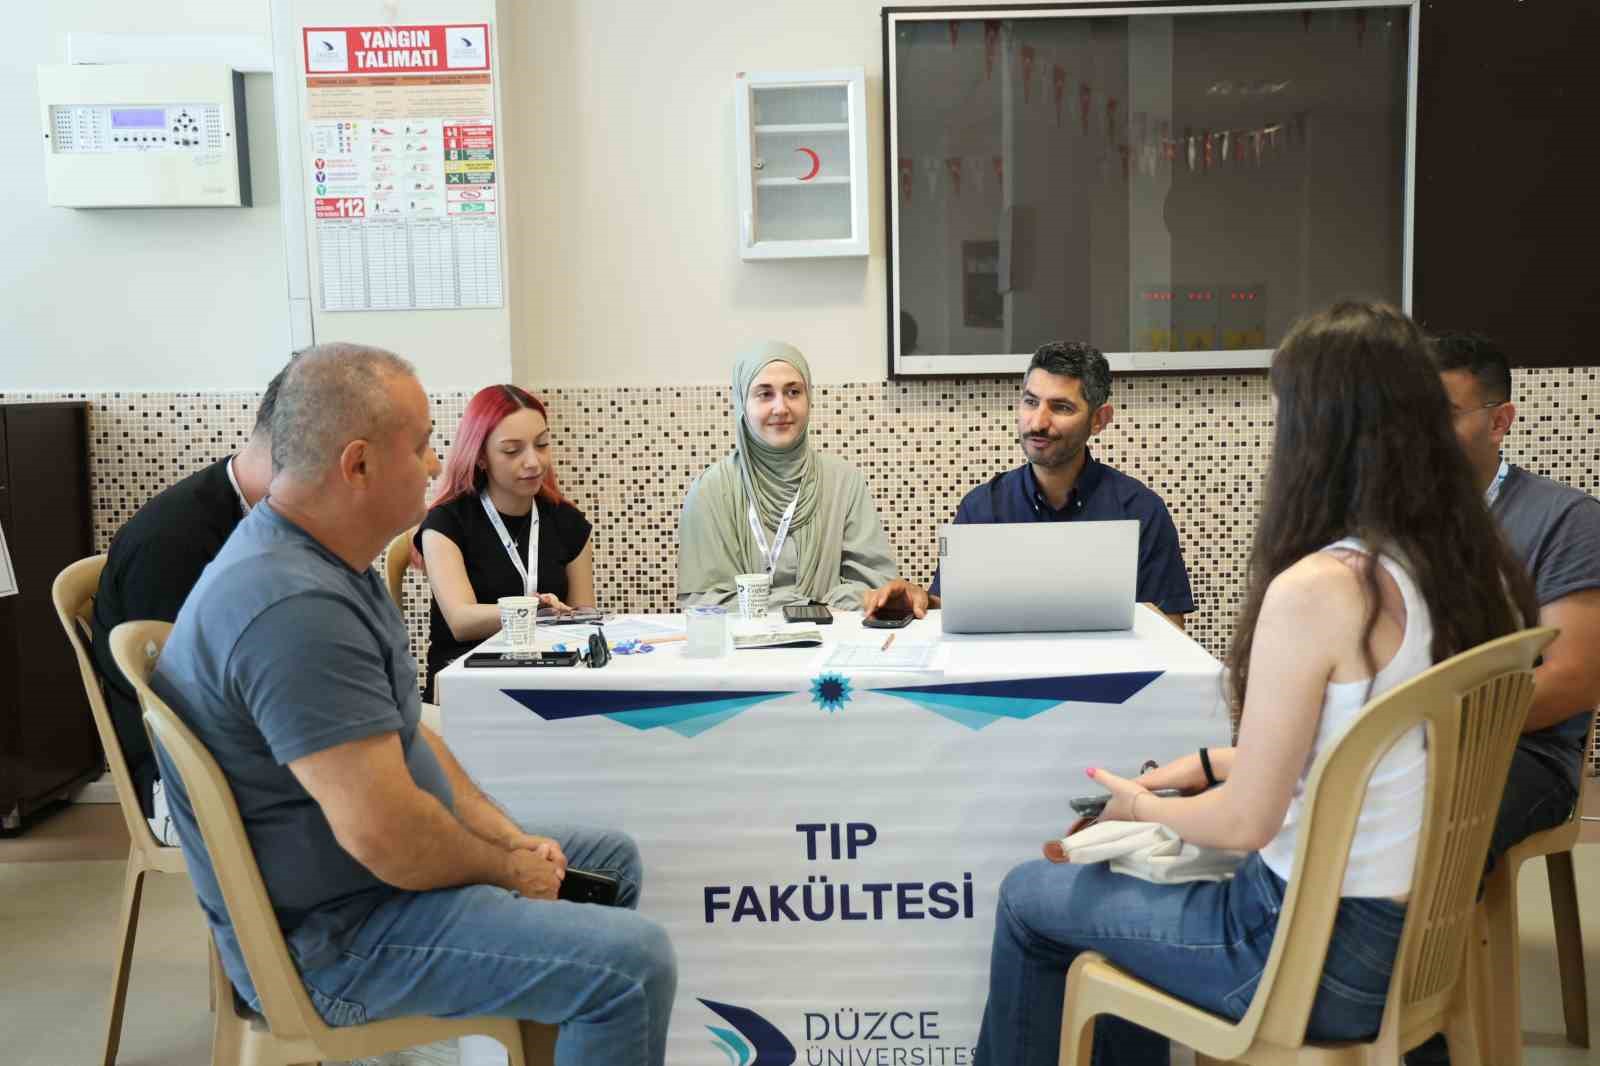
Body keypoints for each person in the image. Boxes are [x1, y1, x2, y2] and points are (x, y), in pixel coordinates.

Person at [973, 304, 1537, 1066]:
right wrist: (1207, 764)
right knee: (1130, 887)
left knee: (1030, 896)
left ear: (1317, 430)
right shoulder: (1469, 572)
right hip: (1410, 941)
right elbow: (1364, 751)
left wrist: (1138, 806)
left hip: (1300, 954)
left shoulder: (1322, 588)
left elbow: (1245, 823)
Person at [148, 343, 675, 1066]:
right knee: (630, 965)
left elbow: (409, 736)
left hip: (368, 890)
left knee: (606, 863)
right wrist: (504, 869)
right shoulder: (292, 609)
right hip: (339, 939)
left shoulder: (330, 560)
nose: (435, 463)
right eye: (422, 444)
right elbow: (388, 839)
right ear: (358, 465)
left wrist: (503, 835)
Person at [1404, 332, 1600, 1066]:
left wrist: (1424, 726)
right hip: (1403, 738)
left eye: (1444, 414)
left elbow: (1572, 680)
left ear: (1500, 420)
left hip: (1525, 753)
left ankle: (1420, 1043)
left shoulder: (1565, 520)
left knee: (1413, 829)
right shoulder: (1392, 520)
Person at [90, 359, 289, 844]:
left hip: (252, 756)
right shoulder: (171, 543)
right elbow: (184, 704)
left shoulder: (268, 519)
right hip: (184, 784)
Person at [864, 341, 1194, 626]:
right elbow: (952, 613)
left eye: (1061, 407)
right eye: (1031, 402)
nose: (1037, 422)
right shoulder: (982, 507)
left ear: (1099, 419)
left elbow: (1171, 632)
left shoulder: (1140, 510)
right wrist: (919, 600)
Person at [678, 340, 897, 610]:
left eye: (793, 392)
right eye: (764, 394)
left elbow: (876, 589)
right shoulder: (710, 490)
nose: (781, 408)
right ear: (742, 403)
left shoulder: (844, 482)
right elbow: (705, 601)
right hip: (746, 639)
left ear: (809, 399)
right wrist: (811, 606)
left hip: (831, 634)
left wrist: (808, 608)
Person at [413, 384, 594, 699]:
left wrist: (570, 617)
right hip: (466, 684)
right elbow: (460, 620)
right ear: (481, 456)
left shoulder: (567, 521)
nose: (533, 462)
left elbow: (584, 616)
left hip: (547, 682)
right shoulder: (446, 522)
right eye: (512, 451)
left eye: (542, 444)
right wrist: (536, 609)